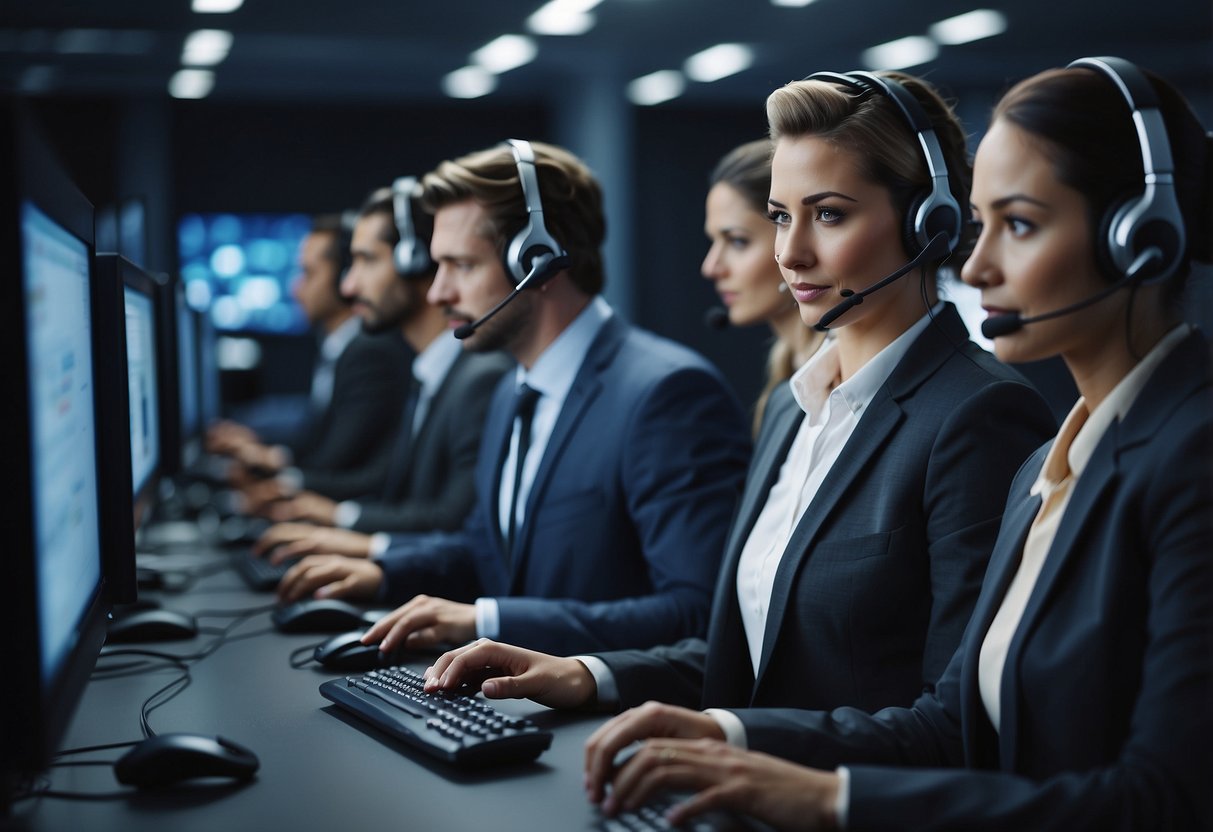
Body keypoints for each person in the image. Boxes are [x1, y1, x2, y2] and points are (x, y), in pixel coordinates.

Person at [561, 58, 1212, 831]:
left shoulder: (1176, 456)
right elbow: (954, 719)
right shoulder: (1046, 468)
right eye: (979, 224)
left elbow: (1165, 803)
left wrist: (825, 797)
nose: (973, 265)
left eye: (1021, 225)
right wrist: (721, 732)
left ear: (1139, 237)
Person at [422, 71, 1055, 735]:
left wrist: (732, 739)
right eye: (781, 216)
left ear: (929, 220)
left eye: (829, 214)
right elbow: (749, 658)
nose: (790, 251)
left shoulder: (978, 414)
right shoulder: (792, 408)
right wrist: (585, 673)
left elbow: (957, 721)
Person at [276, 139, 752, 655]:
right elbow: (488, 548)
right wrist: (380, 570)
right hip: (517, 703)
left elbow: (695, 611)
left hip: (611, 720)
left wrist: (487, 620)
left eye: (461, 266)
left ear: (539, 260)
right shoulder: (512, 390)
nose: (437, 293)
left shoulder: (666, 394)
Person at [241, 182, 511, 541]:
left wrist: (344, 524)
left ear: (414, 261)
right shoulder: (428, 373)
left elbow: (452, 521)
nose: (349, 286)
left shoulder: (477, 378)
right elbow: (390, 480)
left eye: (367, 261)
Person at [208, 213, 410, 496]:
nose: (296, 287)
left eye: (308, 272)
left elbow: (336, 463)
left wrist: (274, 477)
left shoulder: (368, 352)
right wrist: (268, 457)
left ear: (342, 276)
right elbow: (321, 442)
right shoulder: (340, 346)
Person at [702, 138, 824, 434]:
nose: (710, 268)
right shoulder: (786, 373)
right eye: (713, 241)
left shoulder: (841, 380)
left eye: (738, 241)